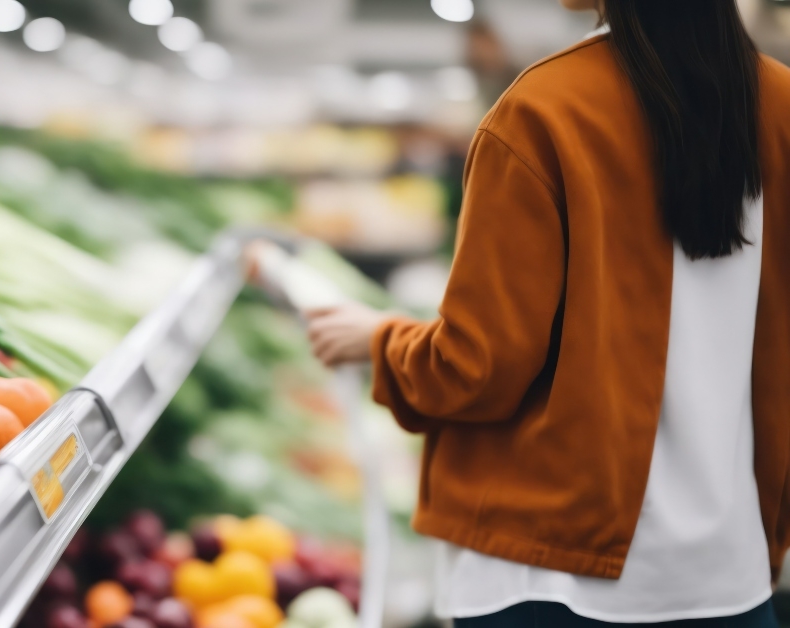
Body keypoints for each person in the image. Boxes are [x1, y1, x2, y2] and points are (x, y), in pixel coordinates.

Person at [304, 0, 790, 626]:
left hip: (552, 576)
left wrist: (381, 341)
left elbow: (476, 365)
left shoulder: (544, 108)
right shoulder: (779, 107)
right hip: (728, 574)